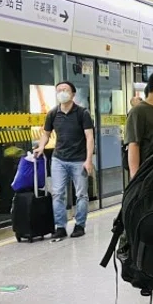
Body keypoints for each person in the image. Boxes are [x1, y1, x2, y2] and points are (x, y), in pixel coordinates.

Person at [33, 82, 94, 242]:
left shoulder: (82, 113)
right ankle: (60, 227)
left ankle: (79, 225)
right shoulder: (53, 113)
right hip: (58, 159)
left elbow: (89, 137)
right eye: (59, 90)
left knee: (81, 194)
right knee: (58, 194)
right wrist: (41, 147)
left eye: (65, 90)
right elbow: (46, 134)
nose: (62, 92)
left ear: (73, 94)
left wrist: (88, 160)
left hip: (79, 160)